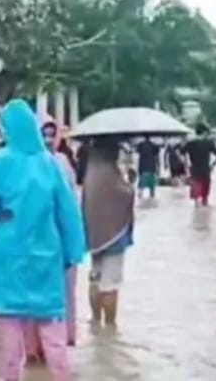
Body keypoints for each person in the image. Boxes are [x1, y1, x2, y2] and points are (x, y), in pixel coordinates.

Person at [0, 99, 85, 381]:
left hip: (9, 259)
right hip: (46, 259)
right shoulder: (52, 166)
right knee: (54, 335)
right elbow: (69, 213)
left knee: (8, 338)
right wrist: (73, 253)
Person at [24, 115, 80, 364]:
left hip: (59, 240)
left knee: (61, 293)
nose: (47, 139)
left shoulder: (63, 162)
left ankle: (57, 346)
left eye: (51, 134)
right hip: (29, 242)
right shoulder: (23, 164)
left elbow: (71, 206)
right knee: (30, 295)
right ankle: (32, 348)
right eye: (42, 133)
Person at [82, 138, 135, 327]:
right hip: (114, 236)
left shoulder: (92, 171)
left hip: (94, 236)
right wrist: (130, 181)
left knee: (95, 277)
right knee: (110, 284)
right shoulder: (110, 173)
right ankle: (111, 327)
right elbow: (126, 195)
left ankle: (95, 321)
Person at [182, 124, 216, 207]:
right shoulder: (209, 143)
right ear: (204, 132)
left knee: (196, 196)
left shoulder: (190, 143)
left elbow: (180, 153)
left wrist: (186, 164)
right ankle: (205, 210)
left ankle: (197, 210)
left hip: (194, 170)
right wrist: (213, 165)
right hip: (206, 169)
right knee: (205, 196)